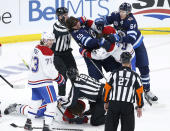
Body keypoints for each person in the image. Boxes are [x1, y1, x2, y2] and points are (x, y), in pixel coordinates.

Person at [95, 2, 158, 102]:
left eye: (123, 12)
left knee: (144, 67)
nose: (121, 13)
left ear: (128, 12)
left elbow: (131, 39)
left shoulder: (131, 21)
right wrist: (99, 22)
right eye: (120, 11)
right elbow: (104, 19)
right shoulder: (116, 15)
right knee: (128, 71)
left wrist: (117, 37)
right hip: (124, 47)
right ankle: (131, 91)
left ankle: (147, 90)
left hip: (137, 45)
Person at [66, 17, 121, 115]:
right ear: (72, 28)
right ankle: (94, 107)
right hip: (93, 56)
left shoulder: (78, 22)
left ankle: (121, 96)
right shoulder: (77, 33)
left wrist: (95, 22)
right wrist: (102, 40)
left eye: (77, 22)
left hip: (103, 52)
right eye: (75, 25)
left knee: (117, 71)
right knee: (94, 81)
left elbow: (84, 19)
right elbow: (89, 42)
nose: (77, 24)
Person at [24, 32, 65, 131]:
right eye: (48, 40)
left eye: (52, 40)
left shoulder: (36, 48)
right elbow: (49, 70)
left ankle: (28, 123)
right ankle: (47, 126)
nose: (51, 42)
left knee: (36, 101)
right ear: (44, 40)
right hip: (43, 82)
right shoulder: (47, 51)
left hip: (34, 81)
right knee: (52, 102)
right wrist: (59, 77)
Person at [103, 52, 144, 131]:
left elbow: (107, 88)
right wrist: (139, 106)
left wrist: (106, 101)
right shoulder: (135, 76)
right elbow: (139, 92)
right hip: (127, 106)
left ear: (120, 60)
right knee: (127, 128)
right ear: (130, 61)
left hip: (114, 104)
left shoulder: (114, 73)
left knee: (110, 128)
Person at [51, 7, 78, 96]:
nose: (66, 16)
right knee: (62, 74)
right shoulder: (56, 25)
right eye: (64, 15)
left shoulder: (68, 23)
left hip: (67, 53)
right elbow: (64, 31)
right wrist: (75, 25)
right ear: (59, 16)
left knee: (75, 73)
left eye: (66, 14)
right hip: (57, 54)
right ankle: (61, 96)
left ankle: (77, 94)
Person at [4, 100, 88, 124]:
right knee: (36, 114)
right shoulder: (66, 112)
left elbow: (81, 118)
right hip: (49, 102)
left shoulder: (73, 110)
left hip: (51, 107)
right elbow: (60, 118)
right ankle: (17, 107)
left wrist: (82, 119)